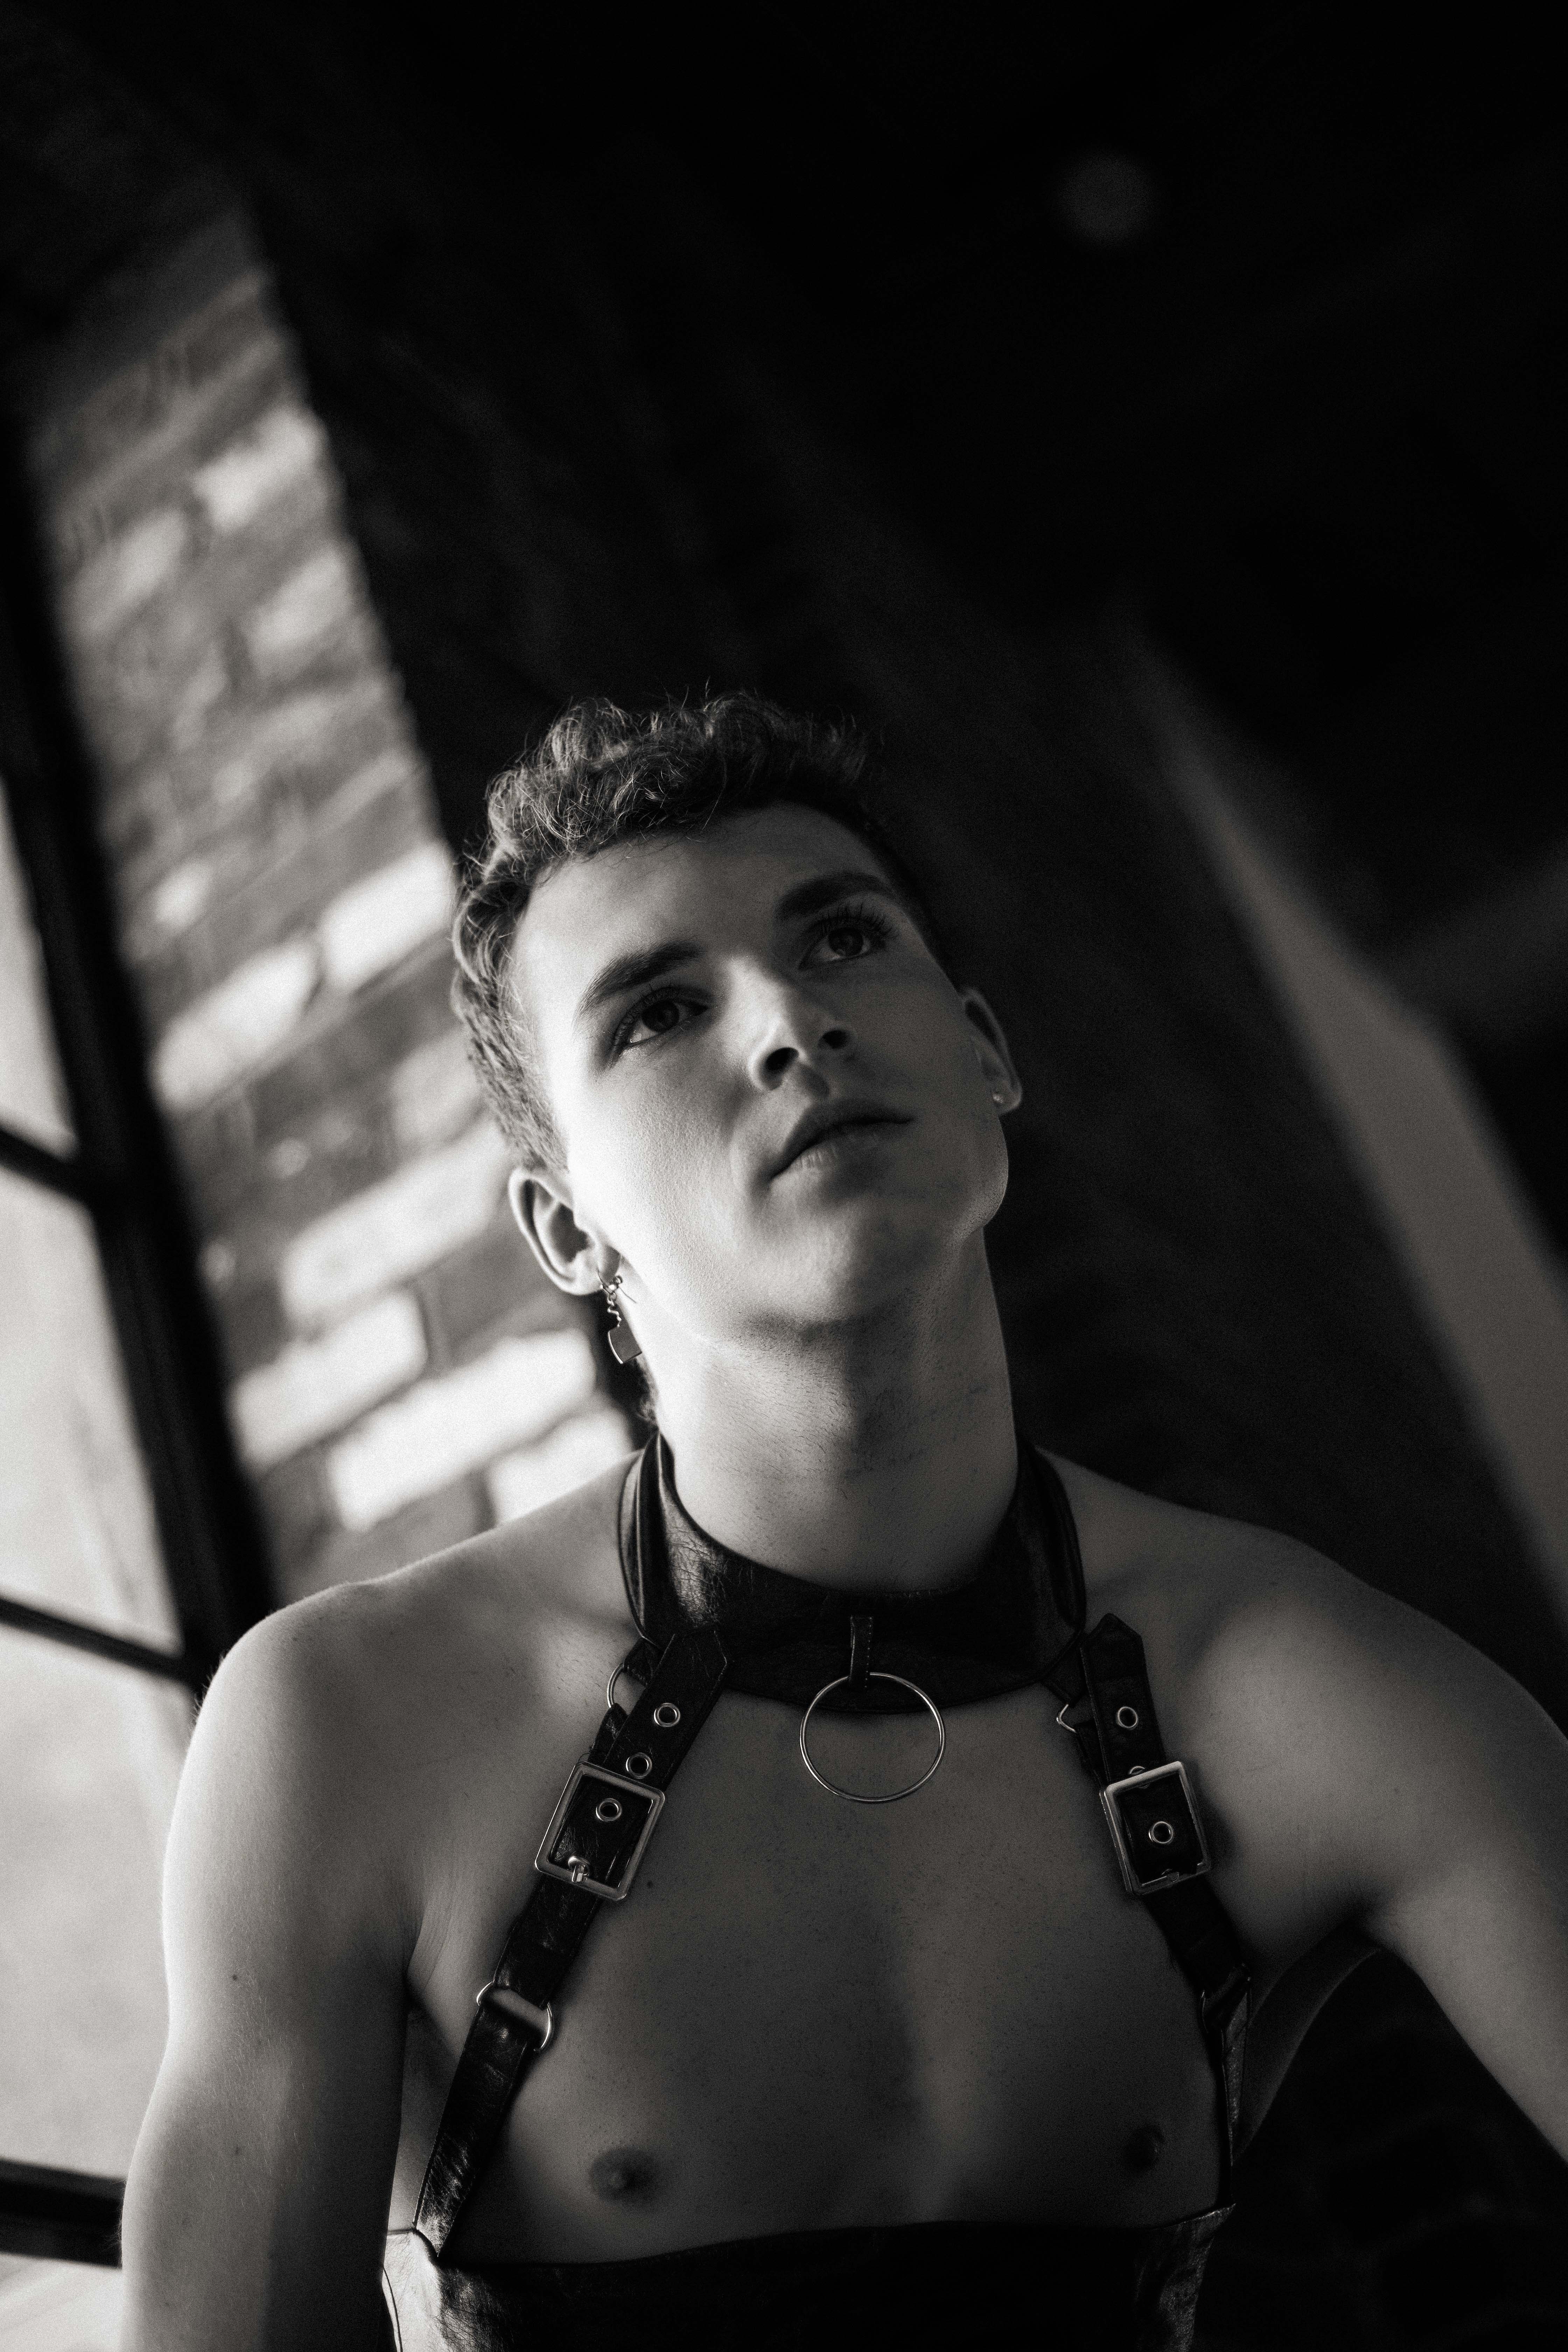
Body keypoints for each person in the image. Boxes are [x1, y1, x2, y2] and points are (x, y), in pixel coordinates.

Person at [120, 693, 1568, 2352]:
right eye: (659, 1012)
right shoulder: (354, 1722)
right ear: (565, 1228)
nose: (789, 1021)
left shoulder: (1306, 1689)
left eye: (843, 939)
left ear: (985, 1053)